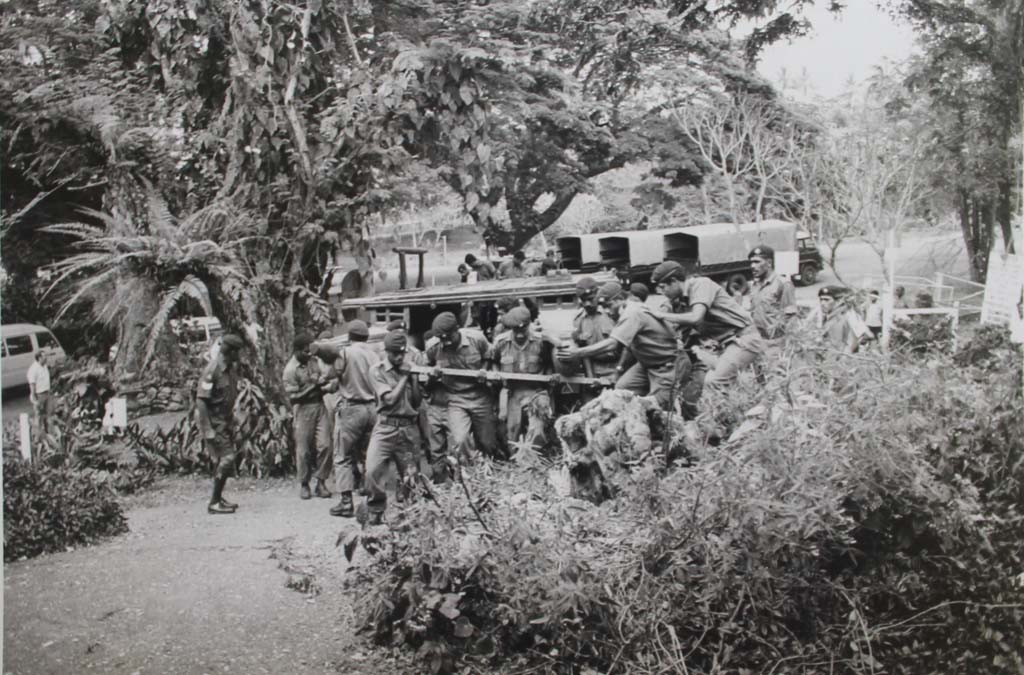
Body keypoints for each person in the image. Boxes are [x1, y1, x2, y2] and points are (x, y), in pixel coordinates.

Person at [559, 281, 681, 411]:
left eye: (609, 305)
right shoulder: (625, 310)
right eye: (604, 306)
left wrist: (577, 352)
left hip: (665, 365)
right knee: (621, 390)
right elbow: (629, 345)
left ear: (620, 299)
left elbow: (612, 343)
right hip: (645, 364)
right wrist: (618, 371)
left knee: (658, 409)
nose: (607, 310)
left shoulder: (632, 313)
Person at [651, 261, 764, 388]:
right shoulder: (681, 301)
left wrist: (662, 315)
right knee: (706, 382)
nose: (661, 292)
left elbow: (696, 317)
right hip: (727, 344)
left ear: (674, 281)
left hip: (743, 339)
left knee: (715, 382)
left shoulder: (700, 284)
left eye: (662, 287)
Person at [363, 330, 423, 525]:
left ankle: (410, 512)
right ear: (386, 351)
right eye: (395, 353)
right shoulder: (377, 370)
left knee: (411, 475)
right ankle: (376, 507)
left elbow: (416, 402)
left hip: (408, 427)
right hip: (386, 426)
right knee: (372, 469)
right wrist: (405, 377)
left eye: (402, 353)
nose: (399, 357)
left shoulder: (408, 368)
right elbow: (388, 400)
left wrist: (414, 378)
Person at [425, 311, 501, 461]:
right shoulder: (433, 347)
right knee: (460, 440)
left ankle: (492, 469)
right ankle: (472, 472)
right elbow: (425, 373)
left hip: (480, 395)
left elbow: (489, 358)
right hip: (455, 398)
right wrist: (432, 376)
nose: (446, 342)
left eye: (449, 337)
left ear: (457, 329)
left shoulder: (476, 339)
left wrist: (484, 370)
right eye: (441, 339)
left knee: (488, 441)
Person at [328, 320, 380, 517]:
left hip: (351, 408)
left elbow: (331, 375)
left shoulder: (345, 353)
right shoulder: (374, 355)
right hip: (372, 408)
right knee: (370, 456)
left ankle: (346, 502)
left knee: (342, 456)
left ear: (350, 336)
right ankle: (371, 500)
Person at [492, 307, 558, 452]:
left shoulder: (540, 341)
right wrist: (496, 373)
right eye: (516, 331)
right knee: (512, 431)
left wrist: (550, 377)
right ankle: (516, 461)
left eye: (523, 330)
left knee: (537, 429)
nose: (520, 335)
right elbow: (494, 362)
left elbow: (548, 363)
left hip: (536, 391)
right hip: (513, 392)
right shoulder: (501, 342)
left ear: (529, 325)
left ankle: (533, 457)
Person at [195, 333, 246, 514]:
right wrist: (207, 428)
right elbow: (201, 400)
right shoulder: (213, 369)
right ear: (230, 351)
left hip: (225, 420)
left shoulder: (229, 368)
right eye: (237, 352)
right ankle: (214, 502)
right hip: (214, 422)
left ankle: (219, 497)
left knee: (225, 461)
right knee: (227, 459)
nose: (239, 355)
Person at [282, 333, 333, 500]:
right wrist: (314, 387)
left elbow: (321, 381)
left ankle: (321, 482)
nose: (309, 354)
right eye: (305, 351)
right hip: (303, 409)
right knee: (303, 450)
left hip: (319, 406)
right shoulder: (291, 370)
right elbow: (293, 398)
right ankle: (304, 483)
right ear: (296, 351)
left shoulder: (313, 361)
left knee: (325, 445)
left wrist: (326, 384)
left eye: (310, 351)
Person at [569, 276, 619, 386]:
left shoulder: (612, 312)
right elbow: (583, 351)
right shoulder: (579, 319)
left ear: (597, 294)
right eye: (583, 300)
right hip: (595, 372)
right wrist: (590, 378)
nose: (587, 304)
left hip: (617, 369)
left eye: (591, 299)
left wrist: (620, 373)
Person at [747, 246, 797, 340]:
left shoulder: (783, 284)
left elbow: (790, 318)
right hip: (758, 339)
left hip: (775, 341)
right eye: (751, 262)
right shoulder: (754, 285)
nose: (752, 266)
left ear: (769, 262)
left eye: (757, 262)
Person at [818, 286, 859, 354]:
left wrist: (842, 360)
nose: (822, 303)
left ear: (838, 301)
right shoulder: (828, 317)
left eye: (826, 300)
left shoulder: (848, 315)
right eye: (821, 299)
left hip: (839, 360)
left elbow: (853, 342)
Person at [26, 351, 53, 437]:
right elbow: (32, 384)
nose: (46, 358)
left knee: (47, 414)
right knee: (39, 415)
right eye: (44, 356)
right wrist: (34, 397)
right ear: (39, 358)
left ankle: (47, 433)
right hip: (39, 394)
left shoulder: (44, 366)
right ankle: (38, 436)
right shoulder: (33, 369)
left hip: (46, 393)